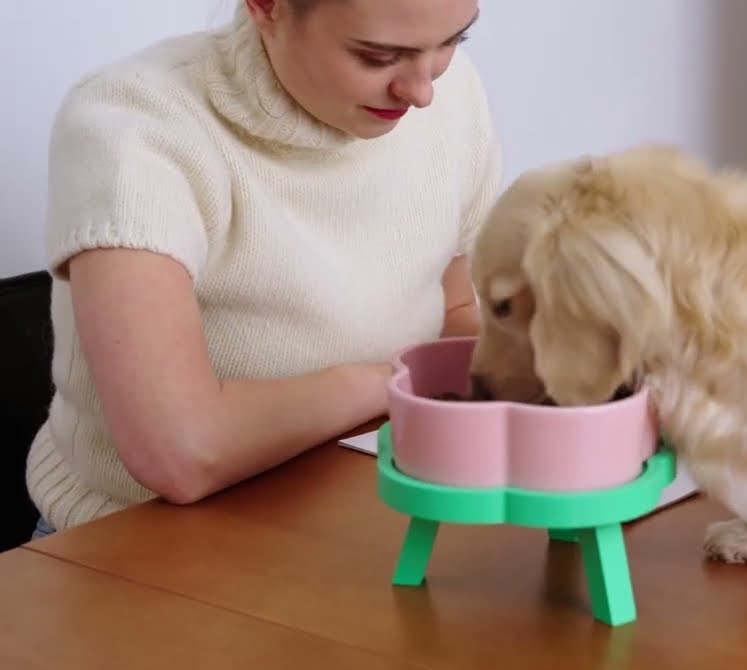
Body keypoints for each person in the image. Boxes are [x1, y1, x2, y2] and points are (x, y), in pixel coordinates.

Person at [26, 0, 501, 538]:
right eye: (378, 56)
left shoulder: (452, 97)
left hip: (355, 513)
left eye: (452, 42)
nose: (423, 90)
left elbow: (456, 309)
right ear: (267, 6)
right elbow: (183, 453)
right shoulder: (135, 125)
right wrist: (394, 382)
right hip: (137, 544)